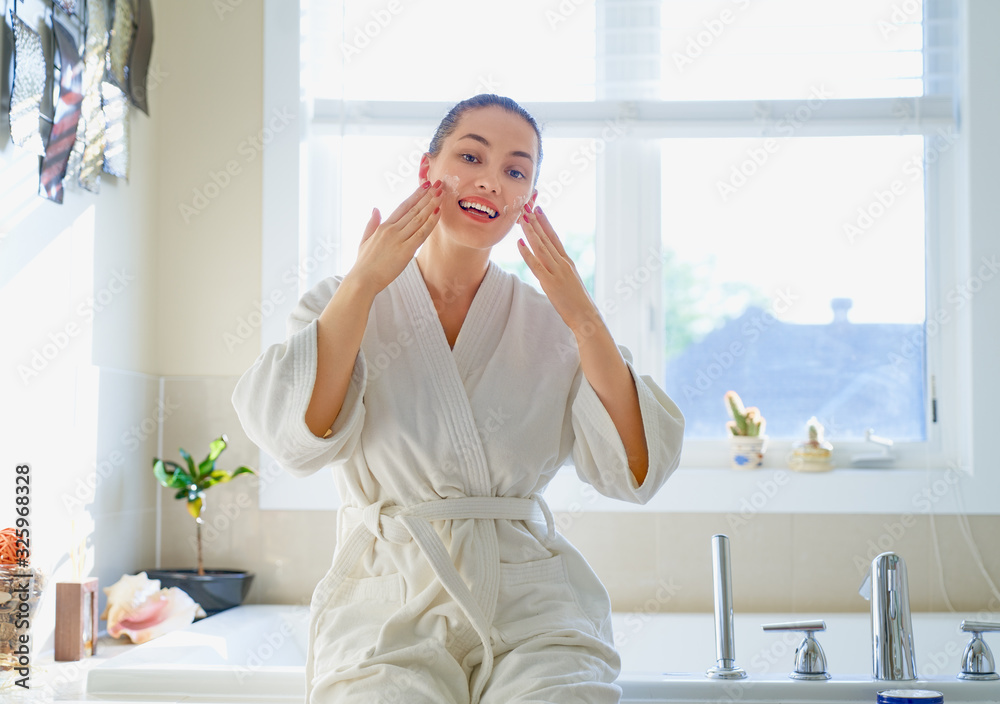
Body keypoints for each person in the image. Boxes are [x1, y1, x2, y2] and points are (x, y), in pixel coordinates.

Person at [232, 94, 684, 704]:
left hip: (530, 602)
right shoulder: (345, 303)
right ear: (428, 171)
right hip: (389, 599)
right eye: (471, 156)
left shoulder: (553, 326)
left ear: (528, 199)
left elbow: (636, 471)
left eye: (515, 170)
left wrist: (583, 317)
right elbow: (299, 440)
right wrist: (365, 282)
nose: (491, 181)